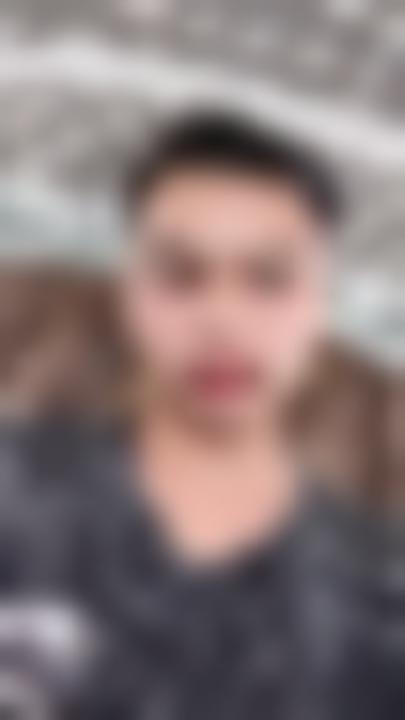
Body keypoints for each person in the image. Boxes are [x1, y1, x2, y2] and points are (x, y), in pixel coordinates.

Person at [0, 111, 378, 719]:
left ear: (319, 306)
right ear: (131, 293)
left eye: (268, 279)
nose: (222, 320)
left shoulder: (374, 602)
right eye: (181, 275)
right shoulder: (15, 491)